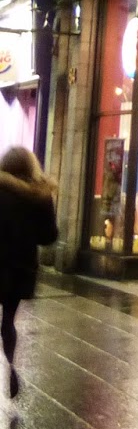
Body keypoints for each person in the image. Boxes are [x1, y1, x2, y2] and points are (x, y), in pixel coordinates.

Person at [0, 147, 59, 401]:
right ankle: (11, 366)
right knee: (8, 321)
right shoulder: (39, 196)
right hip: (20, 269)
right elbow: (49, 236)